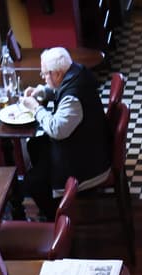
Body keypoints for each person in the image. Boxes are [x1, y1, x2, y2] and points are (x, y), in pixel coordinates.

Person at [16, 47, 110, 219]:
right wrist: (42, 91)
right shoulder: (77, 71)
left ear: (57, 74)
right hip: (88, 142)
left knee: (32, 181)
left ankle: (56, 217)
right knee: (35, 145)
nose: (43, 77)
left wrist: (36, 108)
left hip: (88, 161)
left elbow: (56, 129)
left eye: (45, 74)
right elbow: (60, 88)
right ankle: (50, 193)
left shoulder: (72, 98)